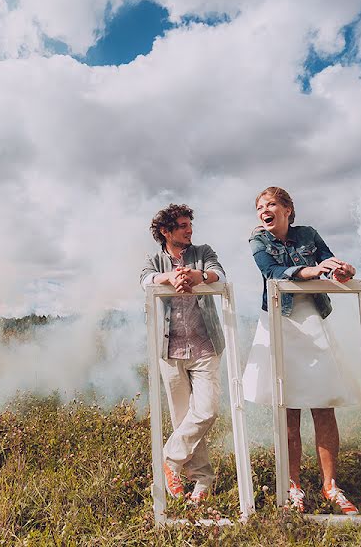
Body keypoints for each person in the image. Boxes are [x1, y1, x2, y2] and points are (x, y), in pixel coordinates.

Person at [241, 187, 361, 515]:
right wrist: (309, 271)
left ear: (287, 209)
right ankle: (293, 485)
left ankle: (330, 486)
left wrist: (341, 271)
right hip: (280, 322)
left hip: (311, 320)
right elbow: (271, 272)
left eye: (271, 205)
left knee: (323, 406)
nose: (265, 210)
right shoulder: (258, 241)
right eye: (260, 207)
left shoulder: (308, 234)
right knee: (287, 407)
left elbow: (327, 261)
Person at [140, 203, 226, 505]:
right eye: (183, 226)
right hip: (171, 349)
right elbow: (145, 280)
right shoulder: (153, 259)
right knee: (183, 419)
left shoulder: (202, 252)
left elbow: (218, 273)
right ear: (166, 231)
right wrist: (168, 278)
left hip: (205, 345)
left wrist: (196, 275)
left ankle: (169, 461)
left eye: (190, 225)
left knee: (205, 411)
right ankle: (201, 481)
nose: (190, 231)